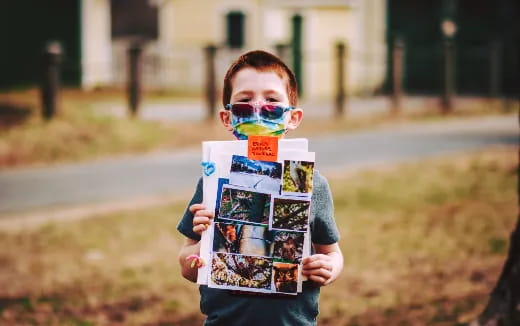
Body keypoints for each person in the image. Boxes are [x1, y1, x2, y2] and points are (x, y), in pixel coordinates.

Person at [177, 50, 343, 325]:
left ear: (293, 117)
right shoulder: (213, 178)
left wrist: (329, 267)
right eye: (244, 102)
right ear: (227, 118)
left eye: (271, 101)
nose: (257, 109)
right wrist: (198, 254)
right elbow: (187, 260)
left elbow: (332, 252)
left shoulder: (310, 182)